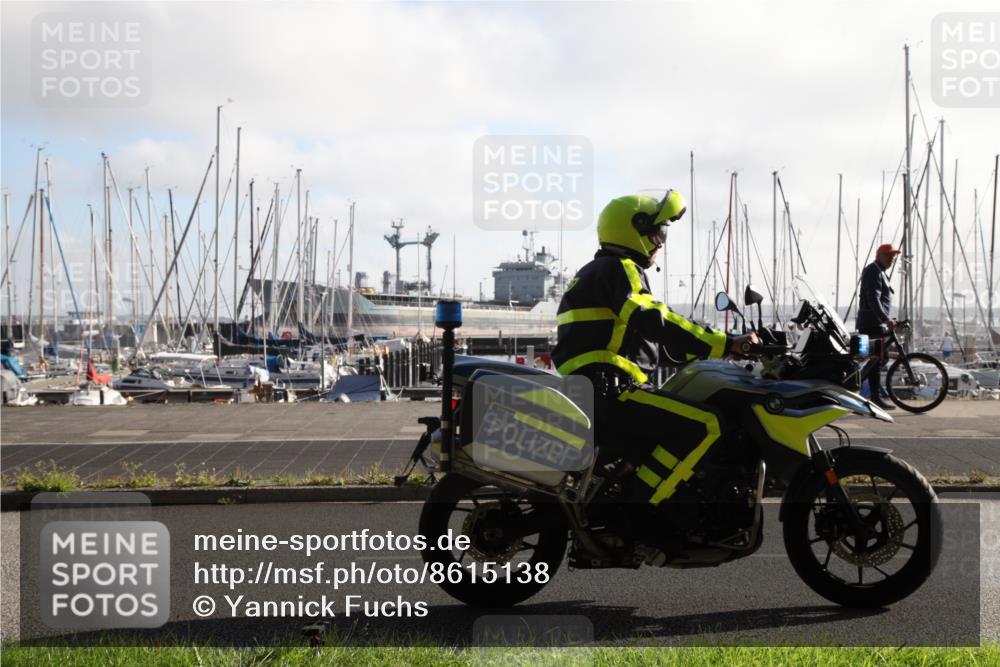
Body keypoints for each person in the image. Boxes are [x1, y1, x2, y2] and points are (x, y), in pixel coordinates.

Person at [552, 191, 758, 513]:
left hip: (593, 388)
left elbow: (645, 346)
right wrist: (726, 341)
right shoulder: (620, 268)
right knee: (706, 424)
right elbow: (654, 319)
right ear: (632, 229)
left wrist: (712, 353)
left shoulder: (596, 272)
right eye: (657, 232)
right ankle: (635, 511)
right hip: (610, 388)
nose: (661, 242)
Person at [856, 243, 901, 410]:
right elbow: (873, 298)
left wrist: (887, 318)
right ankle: (872, 396)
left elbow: (880, 299)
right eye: (889, 256)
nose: (891, 260)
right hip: (871, 323)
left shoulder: (879, 271)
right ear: (879, 256)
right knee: (875, 359)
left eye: (893, 258)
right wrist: (885, 319)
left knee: (879, 359)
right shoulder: (873, 271)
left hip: (875, 323)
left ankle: (870, 395)